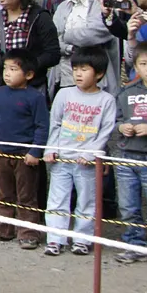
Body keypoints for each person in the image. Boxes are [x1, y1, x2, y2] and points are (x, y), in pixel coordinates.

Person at [43, 46, 117, 256]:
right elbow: (55, 123)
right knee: (57, 199)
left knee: (87, 201)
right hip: (62, 159)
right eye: (76, 68)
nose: (78, 73)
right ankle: (55, 238)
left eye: (84, 69)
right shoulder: (64, 94)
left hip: (86, 162)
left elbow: (106, 132)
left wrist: (92, 154)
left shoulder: (106, 101)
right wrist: (51, 149)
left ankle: (82, 239)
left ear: (99, 73)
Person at [0, 49, 49, 249]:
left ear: (28, 74)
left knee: (26, 195)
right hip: (2, 152)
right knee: (4, 193)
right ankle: (4, 228)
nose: (7, 73)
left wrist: (36, 151)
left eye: (13, 69)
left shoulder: (35, 97)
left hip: (24, 155)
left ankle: (28, 232)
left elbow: (42, 126)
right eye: (5, 69)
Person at [51, 0, 127, 98]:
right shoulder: (63, 6)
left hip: (98, 81)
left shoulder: (105, 0)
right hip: (66, 78)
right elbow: (53, 40)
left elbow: (93, 35)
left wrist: (65, 36)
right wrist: (70, 47)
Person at [114, 42, 147, 263]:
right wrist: (121, 127)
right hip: (126, 157)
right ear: (135, 66)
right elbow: (116, 119)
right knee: (128, 206)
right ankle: (135, 245)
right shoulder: (126, 92)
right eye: (144, 64)